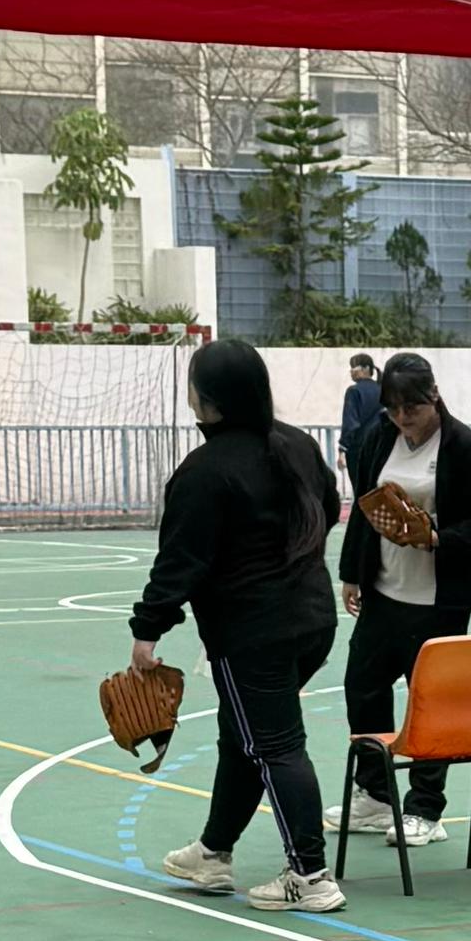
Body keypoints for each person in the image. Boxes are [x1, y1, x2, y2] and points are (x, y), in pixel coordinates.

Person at [128, 340, 344, 907]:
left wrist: (147, 631)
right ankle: (213, 851)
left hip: (253, 633)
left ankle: (310, 876)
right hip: (312, 620)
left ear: (208, 400)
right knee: (242, 733)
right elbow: (329, 505)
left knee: (274, 745)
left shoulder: (205, 472)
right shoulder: (296, 445)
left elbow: (181, 560)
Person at [338, 352, 471, 844]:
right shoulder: (379, 438)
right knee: (363, 685)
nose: (402, 418)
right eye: (393, 409)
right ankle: (375, 795)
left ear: (434, 396)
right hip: (384, 591)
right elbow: (365, 508)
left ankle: (425, 808)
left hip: (440, 599)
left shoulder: (465, 448)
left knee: (432, 700)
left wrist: (440, 538)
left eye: (411, 408)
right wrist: (352, 572)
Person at [338, 349, 391, 487]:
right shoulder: (382, 389)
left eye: (354, 367)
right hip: (382, 446)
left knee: (361, 490)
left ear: (366, 368)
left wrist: (342, 449)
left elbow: (351, 423)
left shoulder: (354, 391)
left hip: (359, 448)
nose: (351, 371)